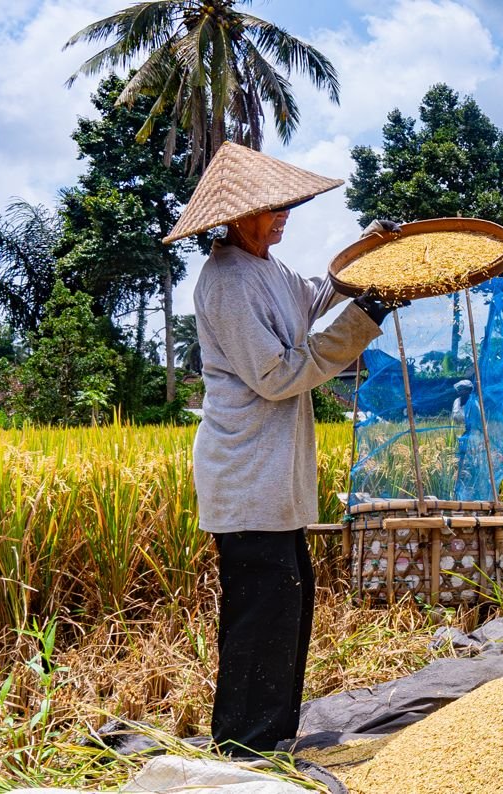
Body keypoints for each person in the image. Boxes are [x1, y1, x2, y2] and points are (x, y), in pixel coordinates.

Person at [167, 142, 404, 758]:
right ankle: (243, 746)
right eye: (272, 208)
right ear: (234, 217)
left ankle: (268, 737)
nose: (283, 216)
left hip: (275, 478)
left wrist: (370, 260)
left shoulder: (268, 271)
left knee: (286, 608)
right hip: (246, 474)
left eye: (286, 206)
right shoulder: (225, 281)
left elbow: (319, 294)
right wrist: (365, 318)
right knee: (260, 612)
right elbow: (276, 376)